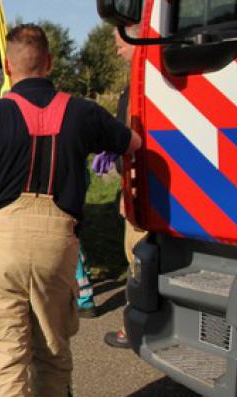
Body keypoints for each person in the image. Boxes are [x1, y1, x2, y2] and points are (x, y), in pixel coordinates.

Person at [0, 24, 141, 397]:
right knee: (52, 351)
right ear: (49, 62)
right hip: (57, 245)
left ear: (7, 66)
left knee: (6, 358)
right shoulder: (83, 110)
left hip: (2, 243)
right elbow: (133, 145)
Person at [96, 24, 148, 349]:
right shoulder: (137, 83)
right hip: (135, 181)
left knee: (138, 254)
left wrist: (115, 146)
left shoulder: (143, 85)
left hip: (141, 185)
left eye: (120, 44)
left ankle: (137, 325)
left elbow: (133, 135)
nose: (117, 51)